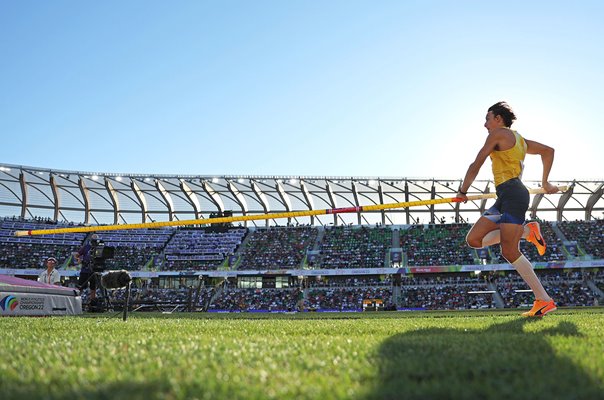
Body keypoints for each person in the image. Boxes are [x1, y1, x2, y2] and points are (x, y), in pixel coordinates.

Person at [456, 101, 559, 317]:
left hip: (513, 195)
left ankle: (544, 300)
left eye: (487, 118)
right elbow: (548, 151)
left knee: (509, 251)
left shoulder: (498, 134)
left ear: (498, 119)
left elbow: (476, 163)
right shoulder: (520, 140)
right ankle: (528, 232)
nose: (485, 124)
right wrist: (546, 182)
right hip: (505, 196)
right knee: (474, 240)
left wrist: (462, 191)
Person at [75, 234, 98, 302]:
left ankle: (92, 302)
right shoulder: (86, 247)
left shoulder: (99, 248)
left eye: (95, 241)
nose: (94, 242)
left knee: (93, 288)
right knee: (80, 286)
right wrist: (79, 259)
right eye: (93, 240)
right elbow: (77, 255)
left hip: (94, 270)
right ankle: (76, 301)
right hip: (85, 269)